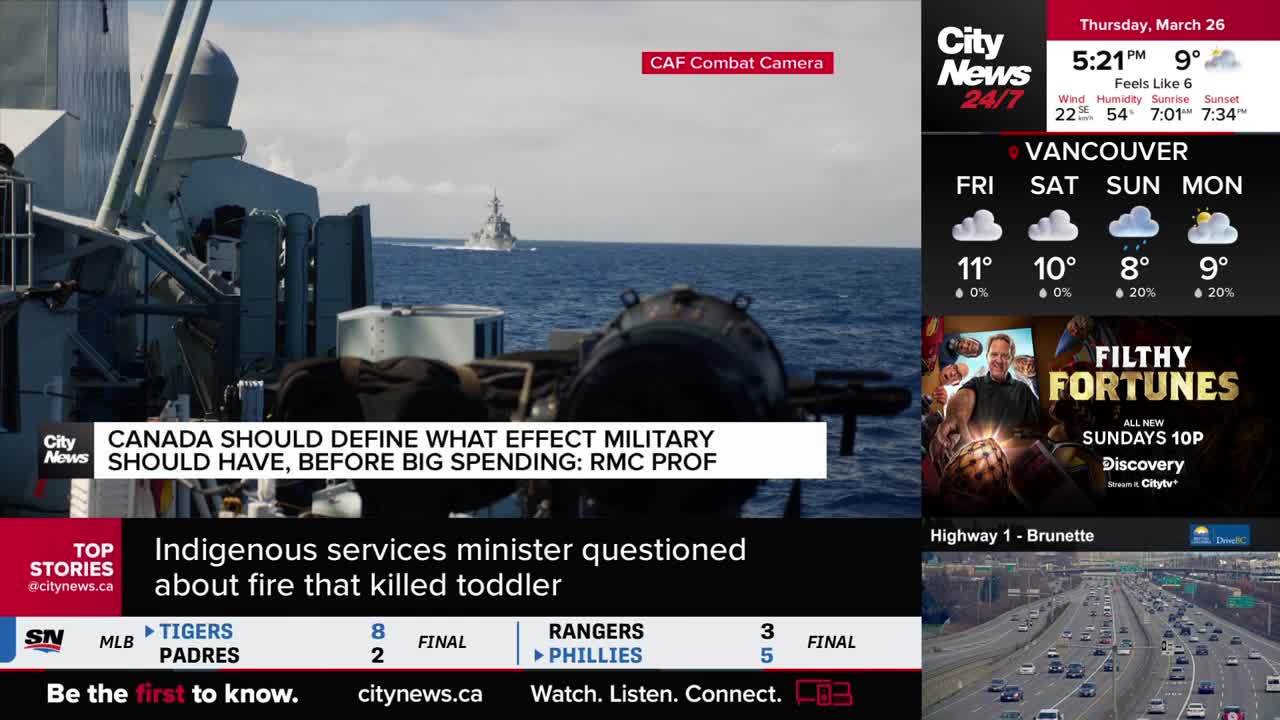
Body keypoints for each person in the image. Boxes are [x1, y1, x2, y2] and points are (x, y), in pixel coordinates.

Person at [936, 333, 1039, 452]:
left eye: (1005, 356)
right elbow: (965, 395)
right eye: (994, 354)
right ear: (987, 357)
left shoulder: (1023, 390)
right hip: (959, 452)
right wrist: (954, 417)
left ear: (1011, 360)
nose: (998, 360)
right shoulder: (976, 382)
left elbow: (1036, 427)